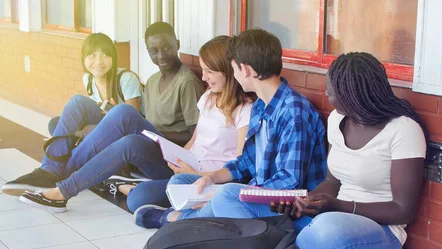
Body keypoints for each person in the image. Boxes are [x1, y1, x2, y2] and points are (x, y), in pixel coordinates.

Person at [240, 52, 428, 249]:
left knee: (330, 226)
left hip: (378, 239)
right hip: (329, 217)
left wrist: (337, 206)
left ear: (354, 94)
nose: (326, 95)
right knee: (232, 195)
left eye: (332, 91)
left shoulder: (403, 130)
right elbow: (332, 180)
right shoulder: (338, 120)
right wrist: (304, 202)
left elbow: (403, 210)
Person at [18, 36, 254, 214]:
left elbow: (241, 166)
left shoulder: (246, 110)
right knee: (122, 116)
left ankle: (104, 180)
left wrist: (197, 174)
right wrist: (178, 156)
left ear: (229, 71)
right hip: (181, 164)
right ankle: (62, 190)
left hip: (202, 178)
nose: (203, 77)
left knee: (137, 199)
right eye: (202, 70)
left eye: (210, 71)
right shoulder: (209, 98)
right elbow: (195, 138)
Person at [133, 29, 327, 228]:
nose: (233, 74)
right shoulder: (261, 106)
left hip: (288, 210)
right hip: (259, 194)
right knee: (182, 181)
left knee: (225, 196)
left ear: (246, 70)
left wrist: (235, 193)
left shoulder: (294, 112)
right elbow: (246, 161)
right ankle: (199, 223)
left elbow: (289, 182)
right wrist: (211, 178)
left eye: (233, 68)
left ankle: (175, 221)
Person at [1, 23, 204, 196]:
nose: (161, 55)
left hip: (168, 152)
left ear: (177, 45)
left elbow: (195, 135)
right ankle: (50, 168)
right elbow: (145, 118)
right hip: (145, 141)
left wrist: (150, 134)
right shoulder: (152, 81)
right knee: (77, 103)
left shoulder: (186, 82)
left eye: (167, 48)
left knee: (123, 113)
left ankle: (62, 171)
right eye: (154, 50)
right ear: (147, 51)